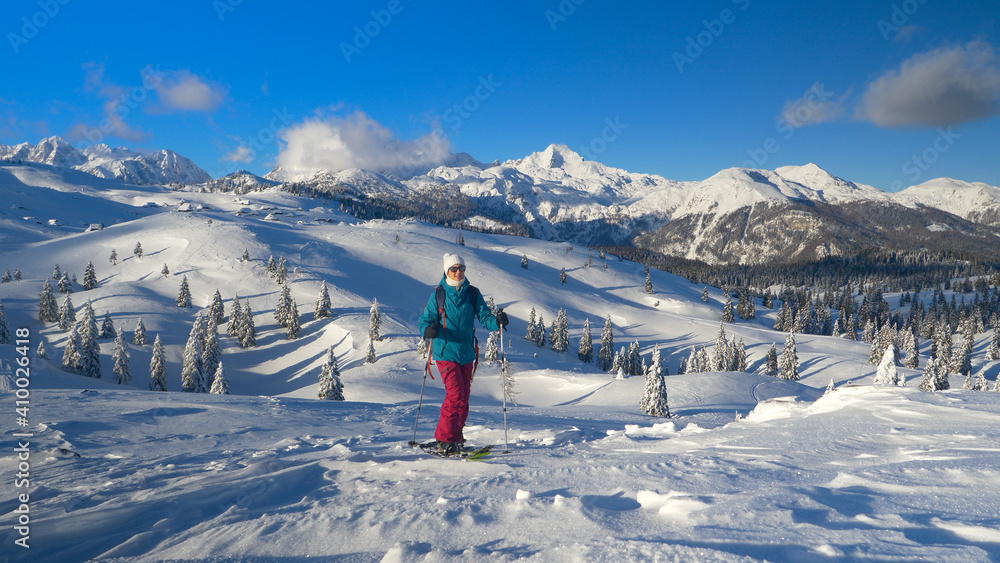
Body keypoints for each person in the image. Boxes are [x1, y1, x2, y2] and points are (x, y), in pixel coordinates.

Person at [418, 253, 509, 454]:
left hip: (467, 354)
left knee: (463, 398)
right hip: (445, 351)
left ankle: (456, 437)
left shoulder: (472, 293)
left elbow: (485, 317)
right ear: (446, 271)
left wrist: (498, 322)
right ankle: (444, 439)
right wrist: (427, 331)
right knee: (455, 394)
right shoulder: (439, 295)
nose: (459, 272)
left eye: (462, 268)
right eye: (454, 269)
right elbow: (425, 319)